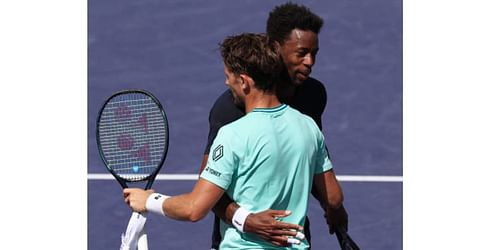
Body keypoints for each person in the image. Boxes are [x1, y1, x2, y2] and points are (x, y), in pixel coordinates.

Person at [124, 33, 344, 249]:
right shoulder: (308, 126)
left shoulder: (232, 135)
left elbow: (194, 209)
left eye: (229, 75)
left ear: (244, 82)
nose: (226, 81)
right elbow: (333, 198)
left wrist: (149, 201)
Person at [200, 2, 349, 249]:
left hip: (292, 237)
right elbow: (209, 190)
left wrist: (333, 207)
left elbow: (308, 159)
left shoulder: (313, 94)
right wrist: (246, 220)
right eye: (301, 53)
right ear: (276, 48)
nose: (310, 61)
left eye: (315, 53)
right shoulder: (230, 108)